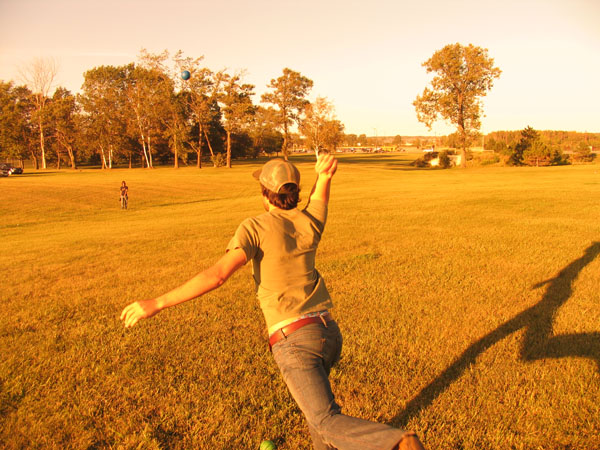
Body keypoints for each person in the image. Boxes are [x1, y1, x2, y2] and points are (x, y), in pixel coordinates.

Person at [120, 155, 426, 450]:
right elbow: (320, 196)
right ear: (295, 193)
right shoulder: (310, 222)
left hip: (295, 341)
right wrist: (324, 175)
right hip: (328, 333)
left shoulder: (254, 227)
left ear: (264, 194)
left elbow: (218, 275)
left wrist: (157, 303)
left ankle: (397, 442)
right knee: (316, 416)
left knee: (324, 421)